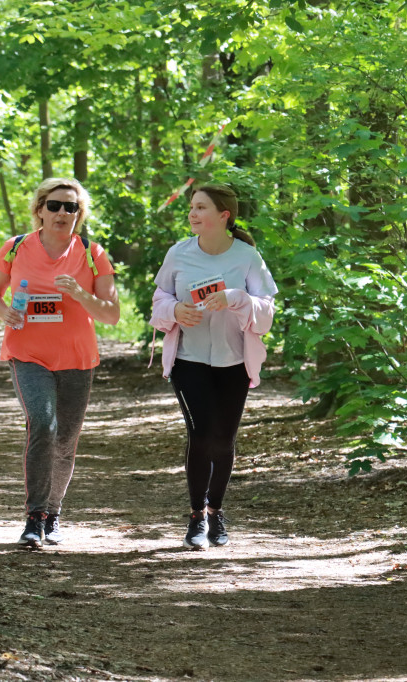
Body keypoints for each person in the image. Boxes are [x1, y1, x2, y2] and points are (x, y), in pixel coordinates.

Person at [0, 178, 120, 548]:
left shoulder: (93, 253)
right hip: (28, 354)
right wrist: (5, 313)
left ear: (79, 214)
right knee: (43, 423)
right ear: (40, 209)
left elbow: (111, 315)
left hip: (77, 358)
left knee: (66, 440)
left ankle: (54, 513)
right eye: (54, 205)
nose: (62, 213)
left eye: (70, 207)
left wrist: (79, 293)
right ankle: (34, 515)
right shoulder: (15, 248)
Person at [150, 183, 277, 550]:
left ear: (225, 216)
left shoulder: (248, 257)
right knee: (202, 435)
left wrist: (238, 299)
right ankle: (195, 518)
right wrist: (175, 310)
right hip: (189, 361)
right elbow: (159, 301)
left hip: (234, 362)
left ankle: (216, 511)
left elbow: (266, 313)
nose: (192, 213)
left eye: (201, 207)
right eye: (191, 206)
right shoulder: (179, 253)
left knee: (223, 440)